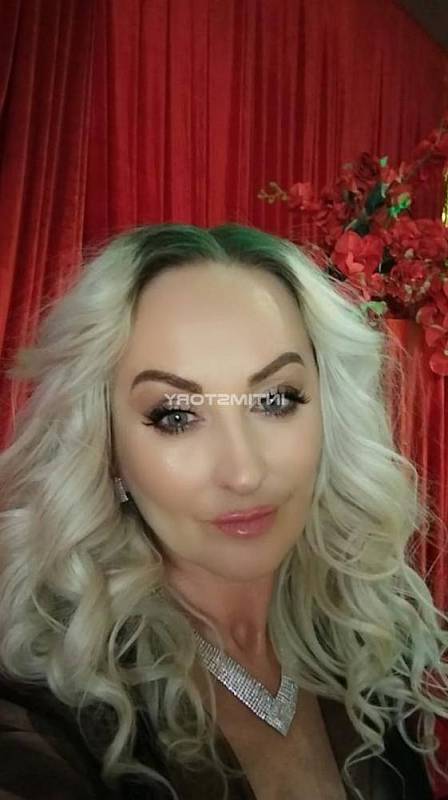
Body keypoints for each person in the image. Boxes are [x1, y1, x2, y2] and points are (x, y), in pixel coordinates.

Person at [0, 222, 447, 800]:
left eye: (276, 400)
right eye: (175, 416)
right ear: (106, 448)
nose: (243, 472)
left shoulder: (370, 646)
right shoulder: (45, 714)